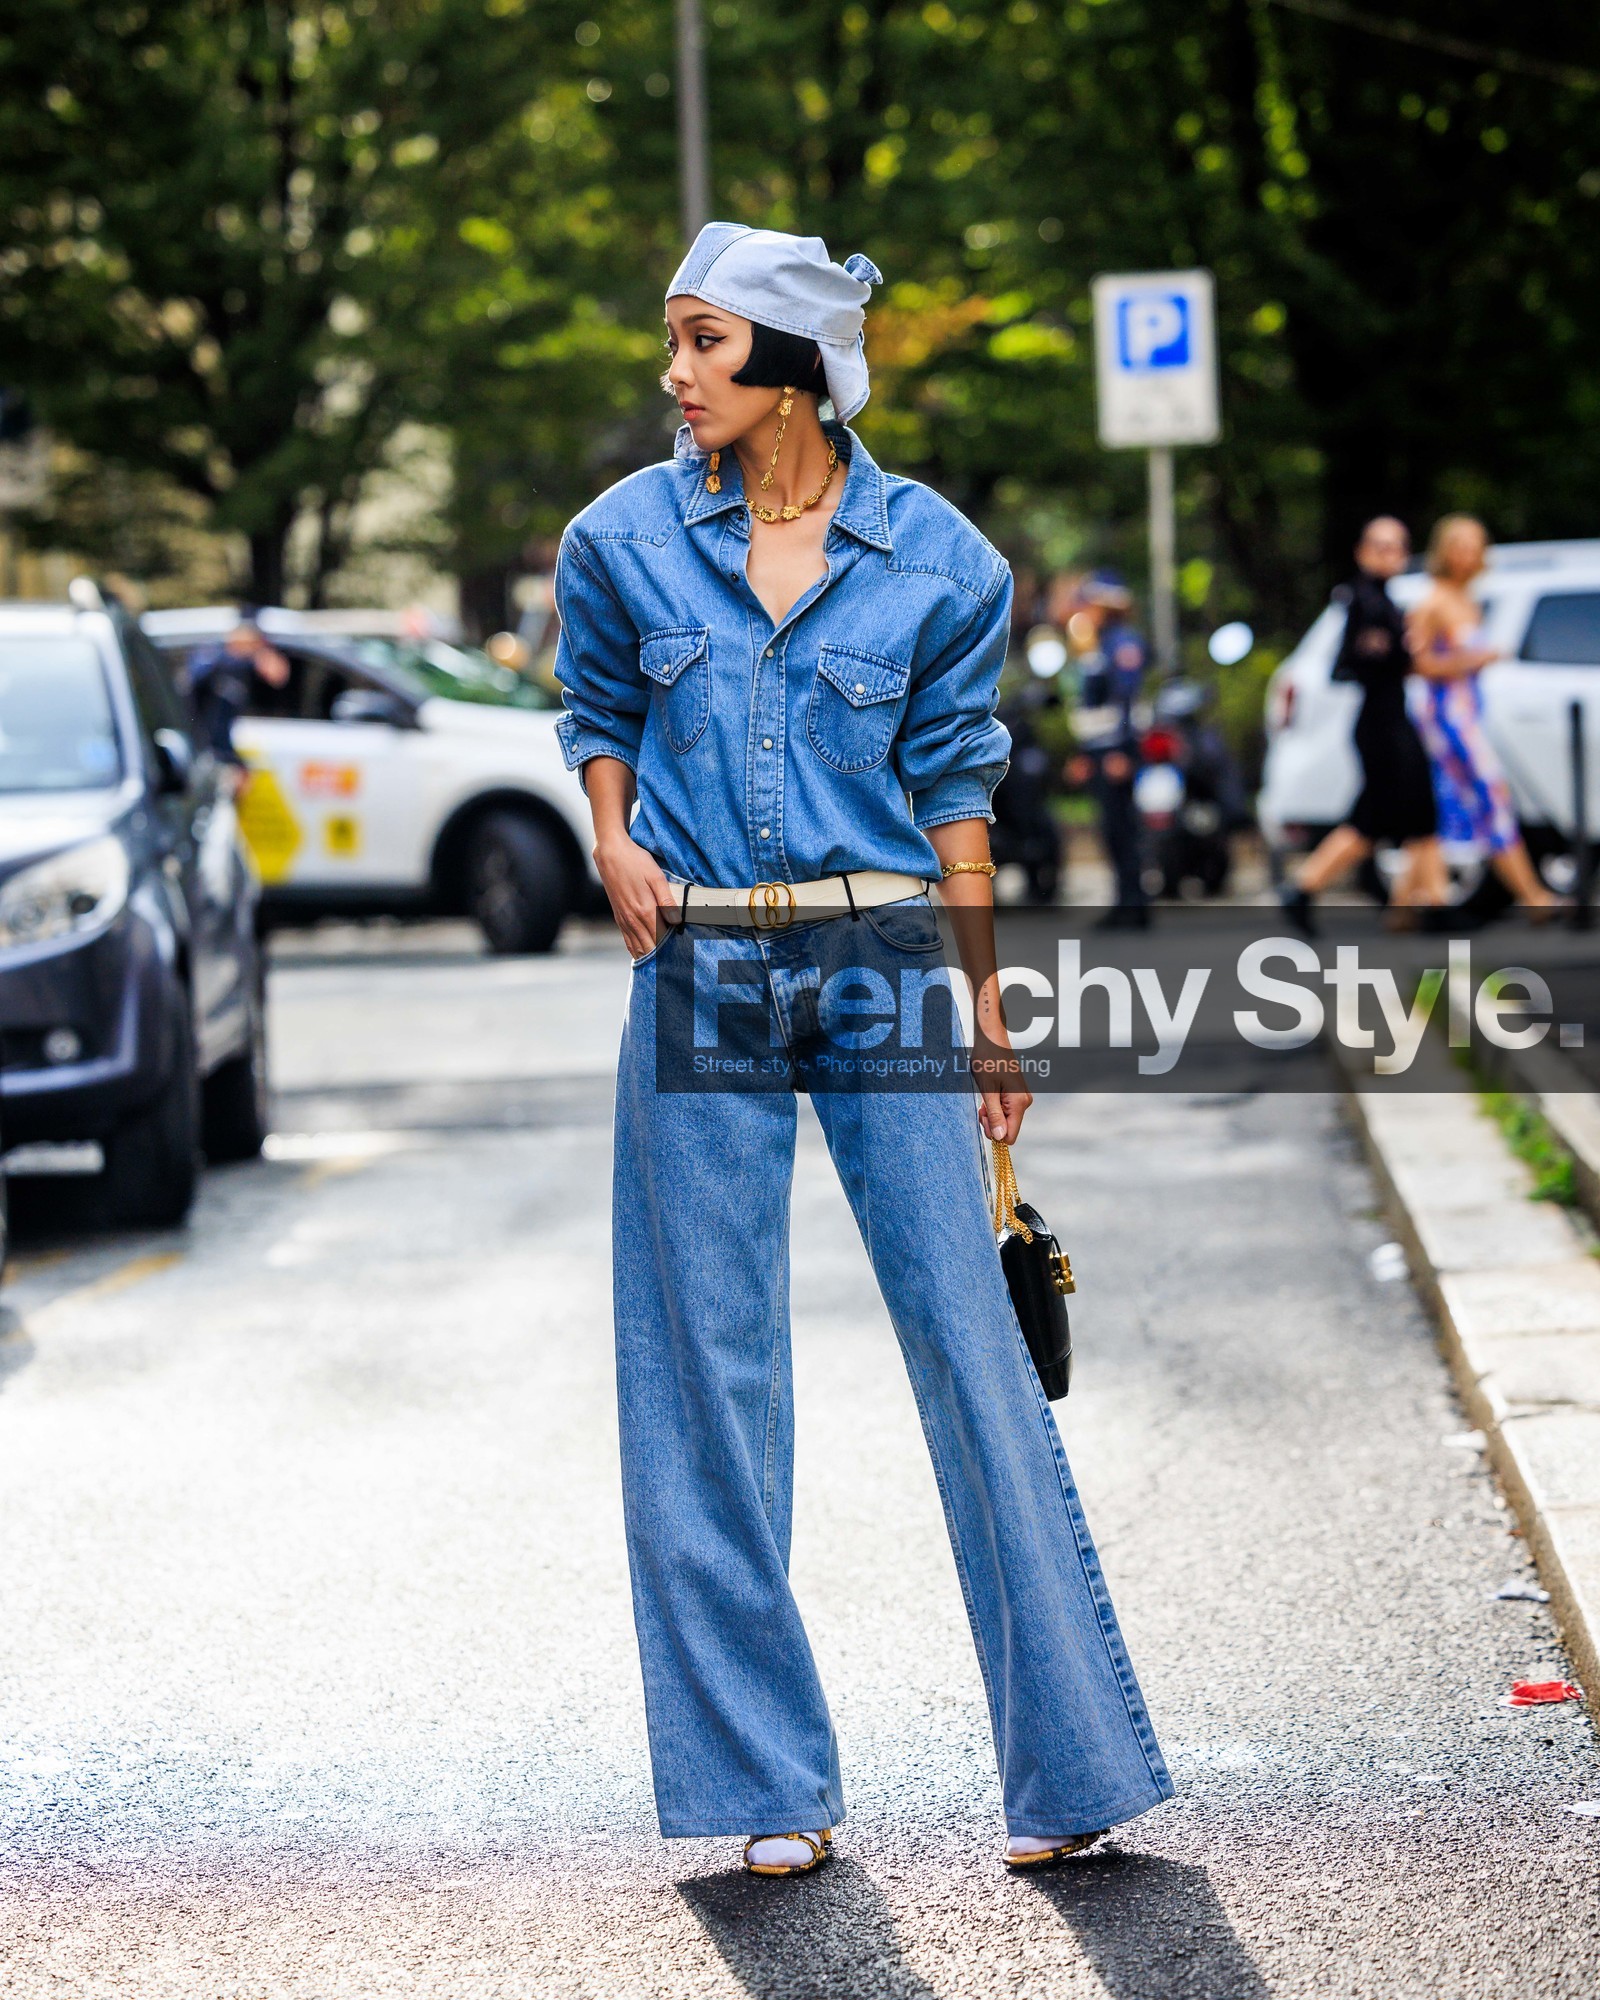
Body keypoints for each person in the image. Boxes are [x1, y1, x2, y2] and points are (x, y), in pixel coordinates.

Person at [553, 222, 1173, 1880]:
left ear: (786, 367)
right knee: (706, 1374)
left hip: (887, 950)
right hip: (699, 968)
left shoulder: (940, 562)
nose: (674, 375)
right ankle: (765, 1779)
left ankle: (1072, 1771)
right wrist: (612, 835)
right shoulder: (617, 540)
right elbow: (596, 708)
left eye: (701, 345)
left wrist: (986, 1001)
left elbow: (959, 787)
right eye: (672, 343)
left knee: (975, 1348)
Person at [1280, 516, 1443, 933]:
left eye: (1396, 546)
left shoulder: (1384, 599)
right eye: (1380, 546)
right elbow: (1353, 663)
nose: (1389, 555)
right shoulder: (1362, 599)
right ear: (1362, 551)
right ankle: (1307, 887)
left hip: (1391, 716)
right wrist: (1406, 652)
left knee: (1410, 813)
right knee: (1380, 817)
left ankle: (1417, 905)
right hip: (1380, 722)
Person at [1409, 515, 1560, 912]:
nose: (1469, 553)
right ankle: (1533, 896)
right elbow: (1417, 663)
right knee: (1492, 797)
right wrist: (1472, 660)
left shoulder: (1467, 600)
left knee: (1436, 810)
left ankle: (1402, 908)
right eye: (1460, 545)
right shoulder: (1434, 602)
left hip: (1470, 713)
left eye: (1475, 544)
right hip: (1447, 718)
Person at [1064, 572, 1149, 927]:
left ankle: (1135, 905)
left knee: (1123, 830)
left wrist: (1122, 752)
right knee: (1110, 830)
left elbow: (1127, 701)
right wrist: (1086, 753)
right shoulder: (1098, 644)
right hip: (1101, 751)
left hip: (1118, 751)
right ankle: (1124, 902)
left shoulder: (1122, 642)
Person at [185, 613, 290, 790]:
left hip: (222, 756)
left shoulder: (242, 670)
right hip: (203, 755)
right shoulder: (212, 659)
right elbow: (194, 682)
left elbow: (278, 674)